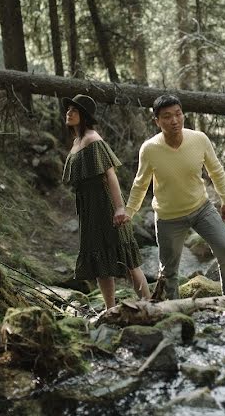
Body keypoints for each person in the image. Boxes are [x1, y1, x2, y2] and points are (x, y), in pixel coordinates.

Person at [124, 94, 225, 300]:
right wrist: (129, 213)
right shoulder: (149, 149)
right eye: (167, 116)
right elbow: (140, 184)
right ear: (157, 121)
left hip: (201, 208)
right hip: (169, 217)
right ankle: (174, 314)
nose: (174, 120)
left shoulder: (199, 139)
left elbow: (216, 171)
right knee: (168, 273)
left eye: (178, 114)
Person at [61, 94, 150, 310]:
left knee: (126, 258)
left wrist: (120, 207)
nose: (69, 112)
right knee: (99, 262)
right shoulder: (76, 142)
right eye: (69, 109)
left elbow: (110, 175)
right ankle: (110, 310)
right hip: (88, 209)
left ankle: (148, 304)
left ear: (84, 116)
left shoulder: (93, 139)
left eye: (75, 110)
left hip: (105, 204)